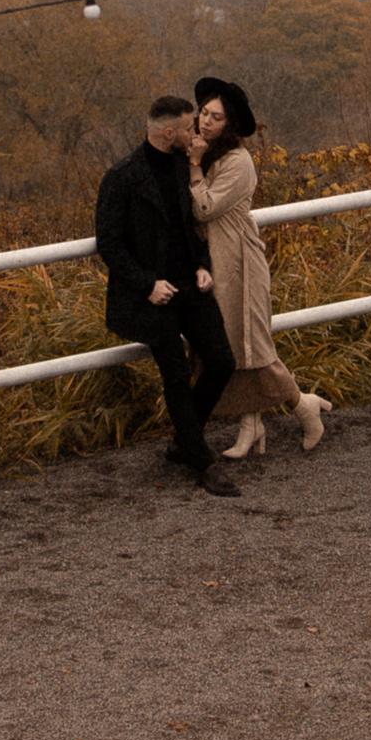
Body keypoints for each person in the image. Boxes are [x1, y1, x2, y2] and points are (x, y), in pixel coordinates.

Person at [94, 93, 241, 496]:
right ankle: (203, 461)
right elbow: (109, 244)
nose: (196, 132)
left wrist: (203, 265)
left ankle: (184, 443)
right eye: (190, 126)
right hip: (152, 295)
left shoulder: (183, 167)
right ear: (170, 132)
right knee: (175, 375)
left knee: (222, 361)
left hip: (190, 284)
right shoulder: (122, 177)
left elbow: (193, 227)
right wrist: (147, 285)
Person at [190, 76, 330, 458]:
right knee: (234, 345)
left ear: (229, 124)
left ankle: (304, 405)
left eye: (216, 117)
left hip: (240, 262)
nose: (205, 121)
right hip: (216, 260)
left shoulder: (237, 161)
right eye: (203, 113)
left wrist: (194, 164)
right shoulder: (210, 154)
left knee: (254, 346)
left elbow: (203, 208)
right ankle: (251, 426)